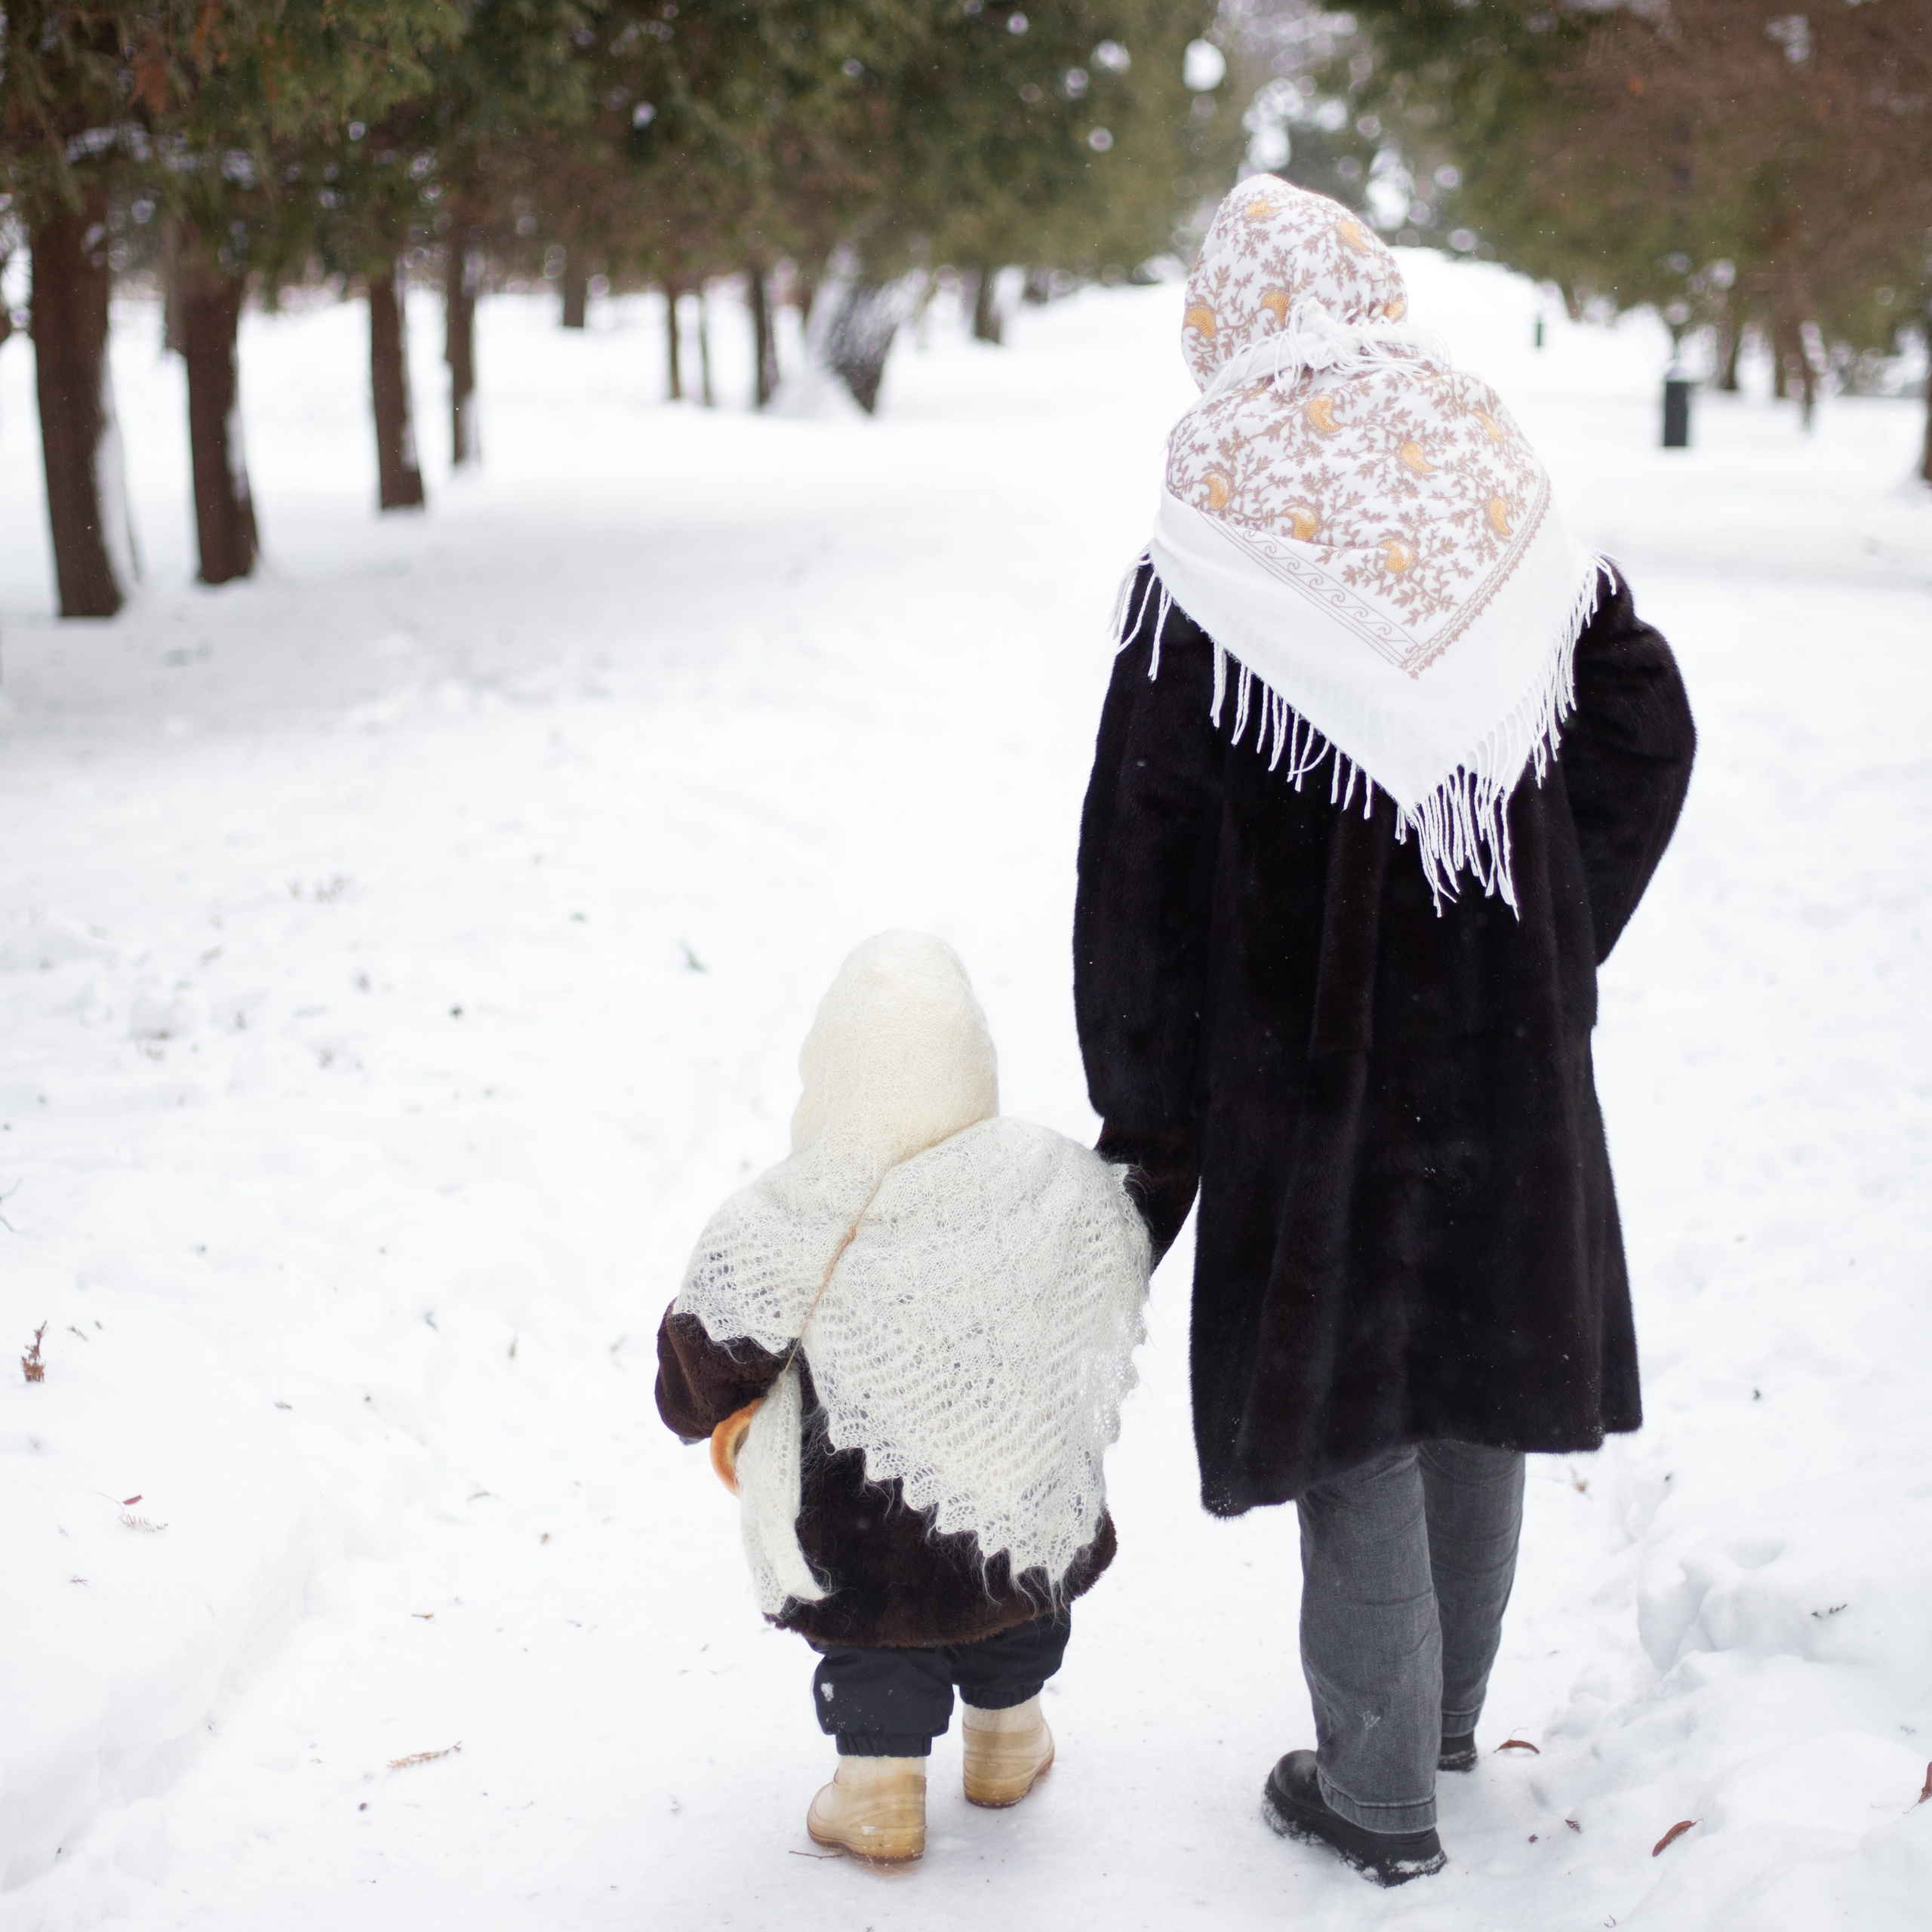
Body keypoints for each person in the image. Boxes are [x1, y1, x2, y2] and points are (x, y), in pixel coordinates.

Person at [1072, 179, 1695, 1886]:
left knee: (1351, 1392)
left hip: (1305, 1063)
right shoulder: (1488, 470)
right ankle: (1436, 1718)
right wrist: (1550, 936)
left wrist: (1147, 1115)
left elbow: (1140, 850)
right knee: (1478, 1356)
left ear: (1220, 318)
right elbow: (1646, 724)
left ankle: (1372, 1791)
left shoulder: (1211, 522)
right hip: (1503, 1050)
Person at [656, 931, 1151, 1863]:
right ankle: (1007, 1741)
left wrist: (701, 1413)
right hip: (1013, 1501)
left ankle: (877, 1789)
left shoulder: (781, 1215)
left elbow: (700, 1364)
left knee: (877, 1640)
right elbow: (1125, 1225)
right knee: (1016, 1598)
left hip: (863, 1541)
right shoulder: (1039, 1181)